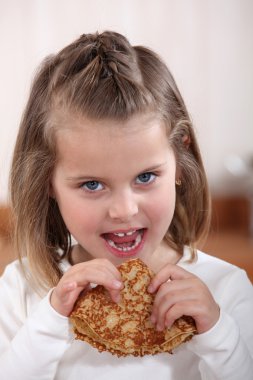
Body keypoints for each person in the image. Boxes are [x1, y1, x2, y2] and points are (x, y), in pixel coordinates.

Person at [0, 30, 252, 380]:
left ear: (179, 160)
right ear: (48, 184)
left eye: (146, 177)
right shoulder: (22, 289)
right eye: (92, 184)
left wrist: (217, 334)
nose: (124, 210)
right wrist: (52, 318)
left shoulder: (226, 289)